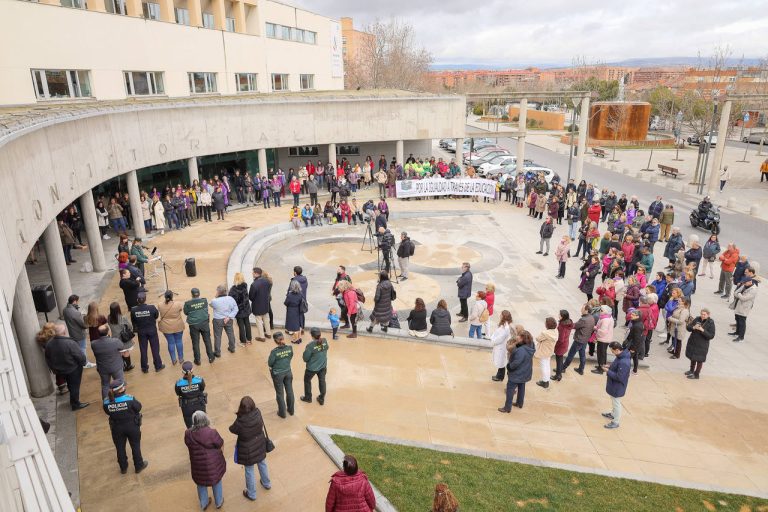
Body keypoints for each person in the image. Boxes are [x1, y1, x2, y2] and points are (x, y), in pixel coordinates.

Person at [229, 396, 271, 502]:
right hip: (260, 443)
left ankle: (251, 494)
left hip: (247, 449)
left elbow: (232, 429)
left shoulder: (240, 421)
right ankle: (266, 483)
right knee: (262, 463)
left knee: (249, 470)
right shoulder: (258, 412)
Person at [103, 379, 148, 474]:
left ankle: (123, 467)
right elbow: (138, 407)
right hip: (132, 426)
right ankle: (138, 465)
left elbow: (107, 412)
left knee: (119, 447)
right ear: (121, 389)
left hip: (116, 427)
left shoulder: (106, 402)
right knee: (135, 445)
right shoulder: (129, 399)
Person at [184, 411, 226, 510]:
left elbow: (187, 443)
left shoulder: (188, 433)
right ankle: (219, 502)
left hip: (198, 465)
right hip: (213, 465)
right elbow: (220, 443)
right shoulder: (212, 432)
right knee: (216, 481)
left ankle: (204, 503)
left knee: (200, 483)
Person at [45, 324, 88, 410]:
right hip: (73, 369)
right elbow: (80, 356)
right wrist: (83, 363)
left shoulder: (49, 344)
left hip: (60, 370)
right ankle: (75, 404)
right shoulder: (70, 343)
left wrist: (54, 369)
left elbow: (47, 358)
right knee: (74, 387)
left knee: (71, 386)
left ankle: (74, 401)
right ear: (64, 332)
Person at [498, 330, 535, 412]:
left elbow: (516, 363)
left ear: (522, 338)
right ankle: (519, 403)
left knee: (510, 389)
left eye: (519, 336)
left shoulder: (521, 350)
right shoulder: (531, 345)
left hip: (517, 373)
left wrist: (509, 366)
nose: (517, 337)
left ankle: (507, 408)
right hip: (525, 371)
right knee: (522, 387)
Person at [130, 293, 165, 373]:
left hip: (141, 332)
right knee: (155, 349)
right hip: (152, 330)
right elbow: (156, 316)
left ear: (137, 300)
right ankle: (158, 366)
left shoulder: (133, 310)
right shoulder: (151, 307)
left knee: (143, 350)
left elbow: (133, 321)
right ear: (145, 299)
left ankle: (144, 367)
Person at [91, 324, 127, 399]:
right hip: (116, 367)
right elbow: (122, 348)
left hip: (103, 368)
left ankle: (106, 401)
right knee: (120, 382)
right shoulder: (115, 341)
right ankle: (121, 399)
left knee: (105, 385)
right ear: (108, 332)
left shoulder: (94, 344)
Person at [62, 294, 96, 369]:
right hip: (79, 334)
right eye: (77, 301)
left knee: (78, 348)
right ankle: (85, 363)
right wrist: (88, 324)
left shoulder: (65, 310)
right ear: (74, 301)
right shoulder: (75, 313)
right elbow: (83, 325)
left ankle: (80, 362)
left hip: (72, 333)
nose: (78, 302)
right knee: (82, 348)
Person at [602, 342, 631, 429]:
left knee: (616, 403)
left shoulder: (624, 362)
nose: (612, 353)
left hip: (617, 387)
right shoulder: (620, 357)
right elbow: (616, 366)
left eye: (612, 351)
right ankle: (613, 414)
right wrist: (610, 366)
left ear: (617, 350)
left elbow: (619, 377)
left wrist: (608, 371)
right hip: (614, 386)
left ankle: (616, 422)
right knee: (614, 401)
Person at [184, 288, 215, 365]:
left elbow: (186, 312)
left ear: (191, 294)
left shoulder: (187, 303)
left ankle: (197, 360)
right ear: (199, 293)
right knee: (207, 340)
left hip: (193, 325)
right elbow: (206, 310)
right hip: (204, 323)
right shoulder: (204, 301)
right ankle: (211, 357)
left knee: (195, 343)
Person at [563, 304, 595, 375]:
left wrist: (567, 322)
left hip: (579, 340)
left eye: (582, 308)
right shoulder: (591, 317)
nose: (581, 310)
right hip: (585, 339)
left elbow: (574, 326)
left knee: (570, 354)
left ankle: (563, 368)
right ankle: (581, 369)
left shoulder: (583, 319)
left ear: (586, 310)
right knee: (582, 355)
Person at [268, 332, 295, 418]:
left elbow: (270, 363)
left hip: (278, 374)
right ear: (283, 339)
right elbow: (290, 356)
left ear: (275, 341)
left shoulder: (274, 352)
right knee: (290, 391)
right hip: (288, 372)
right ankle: (291, 410)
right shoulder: (289, 348)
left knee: (280, 394)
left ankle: (282, 413)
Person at [300, 327, 329, 405]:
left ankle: (308, 398)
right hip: (323, 366)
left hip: (311, 368)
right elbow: (327, 348)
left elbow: (305, 358)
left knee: (307, 381)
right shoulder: (325, 340)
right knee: (322, 381)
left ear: (312, 336)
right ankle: (321, 398)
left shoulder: (310, 345)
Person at [685, 309, 716, 379]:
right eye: (701, 314)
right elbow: (688, 327)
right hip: (693, 341)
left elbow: (711, 335)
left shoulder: (710, 323)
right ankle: (691, 370)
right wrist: (693, 327)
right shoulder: (697, 319)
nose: (702, 316)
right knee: (692, 357)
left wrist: (703, 330)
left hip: (702, 344)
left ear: (708, 315)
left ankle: (696, 374)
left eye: (704, 314)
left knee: (699, 359)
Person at [175, 361, 207, 428]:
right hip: (199, 405)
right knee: (203, 426)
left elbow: (178, 393)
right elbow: (202, 389)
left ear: (182, 372)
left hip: (187, 407)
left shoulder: (178, 383)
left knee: (190, 429)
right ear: (192, 370)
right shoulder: (199, 380)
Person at [158, 290, 185, 365]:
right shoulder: (178, 304)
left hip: (166, 327)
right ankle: (181, 358)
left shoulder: (160, 305)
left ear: (164, 297)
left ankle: (173, 359)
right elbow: (180, 310)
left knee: (171, 343)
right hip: (178, 326)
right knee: (179, 341)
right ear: (172, 296)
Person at [211, 285, 238, 355]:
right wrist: (229, 317)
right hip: (228, 319)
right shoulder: (230, 299)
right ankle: (232, 348)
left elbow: (211, 305)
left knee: (217, 336)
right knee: (231, 334)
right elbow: (236, 309)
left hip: (218, 320)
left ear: (218, 292)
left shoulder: (214, 301)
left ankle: (217, 352)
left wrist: (216, 296)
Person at [731, 276, 757, 342]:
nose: (744, 284)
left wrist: (739, 294)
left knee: (742, 322)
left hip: (745, 307)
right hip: (739, 305)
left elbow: (744, 298)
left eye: (745, 283)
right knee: (737, 319)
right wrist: (740, 295)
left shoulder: (753, 290)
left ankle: (741, 337)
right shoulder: (745, 285)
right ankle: (737, 333)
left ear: (750, 282)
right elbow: (735, 292)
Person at [249, 267, 273, 342]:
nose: (252, 274)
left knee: (259, 320)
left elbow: (251, 297)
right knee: (266, 318)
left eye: (253, 272)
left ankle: (262, 337)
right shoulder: (267, 281)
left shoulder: (254, 284)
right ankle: (268, 333)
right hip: (266, 303)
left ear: (256, 274)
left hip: (257, 305)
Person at [229, 273, 252, 346]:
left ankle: (243, 342)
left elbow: (231, 301)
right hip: (246, 309)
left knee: (241, 326)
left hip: (239, 311)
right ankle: (249, 340)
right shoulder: (245, 286)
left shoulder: (233, 289)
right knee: (247, 324)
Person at [534, 317, 558, 389]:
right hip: (550, 350)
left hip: (543, 351)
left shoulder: (545, 333)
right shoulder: (556, 331)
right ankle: (546, 380)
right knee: (547, 366)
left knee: (544, 366)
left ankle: (545, 382)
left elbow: (537, 338)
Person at [591, 305, 614, 374]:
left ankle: (600, 369)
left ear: (606, 312)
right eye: (600, 310)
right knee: (603, 353)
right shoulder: (608, 317)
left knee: (601, 354)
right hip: (605, 338)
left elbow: (603, 331)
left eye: (602, 310)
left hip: (603, 339)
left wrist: (596, 329)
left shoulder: (605, 320)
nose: (600, 311)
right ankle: (601, 366)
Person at [553, 310, 574, 381]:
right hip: (565, 343)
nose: (558, 315)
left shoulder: (562, 326)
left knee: (558, 360)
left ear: (562, 317)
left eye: (559, 315)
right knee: (560, 359)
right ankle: (560, 370)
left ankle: (558, 375)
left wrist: (555, 345)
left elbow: (561, 339)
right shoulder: (568, 322)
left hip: (561, 345)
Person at [623, 308, 645, 374]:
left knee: (627, 358)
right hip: (635, 345)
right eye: (631, 314)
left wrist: (633, 348)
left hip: (633, 345)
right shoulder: (638, 323)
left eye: (633, 315)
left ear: (638, 316)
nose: (631, 316)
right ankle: (635, 370)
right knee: (635, 357)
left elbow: (637, 339)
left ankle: (625, 371)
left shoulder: (637, 326)